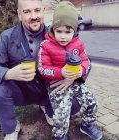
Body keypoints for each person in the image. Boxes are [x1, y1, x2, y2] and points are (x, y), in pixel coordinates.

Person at [0, 0, 85, 140]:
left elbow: (84, 59)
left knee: (75, 104)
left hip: (50, 89)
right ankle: (11, 127)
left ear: (43, 10)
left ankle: (47, 107)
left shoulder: (58, 33)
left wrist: (71, 77)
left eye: (37, 10)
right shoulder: (7, 36)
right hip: (21, 90)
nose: (33, 16)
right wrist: (9, 73)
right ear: (19, 14)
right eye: (27, 12)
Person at [38, 1, 102, 140]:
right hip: (56, 86)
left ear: (75, 31)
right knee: (62, 114)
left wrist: (82, 70)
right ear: (53, 29)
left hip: (75, 83)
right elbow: (43, 69)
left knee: (92, 102)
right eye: (59, 31)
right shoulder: (46, 46)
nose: (63, 36)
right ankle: (60, 136)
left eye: (68, 32)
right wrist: (60, 72)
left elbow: (85, 61)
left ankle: (87, 125)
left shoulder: (78, 44)